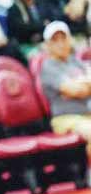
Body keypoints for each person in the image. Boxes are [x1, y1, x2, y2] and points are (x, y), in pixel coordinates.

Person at [37, 21, 91, 166]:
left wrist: (80, 87)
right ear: (47, 45)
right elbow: (74, 90)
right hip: (66, 119)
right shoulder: (48, 67)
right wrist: (83, 85)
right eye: (55, 40)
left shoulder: (77, 62)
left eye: (63, 38)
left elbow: (77, 90)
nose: (61, 43)